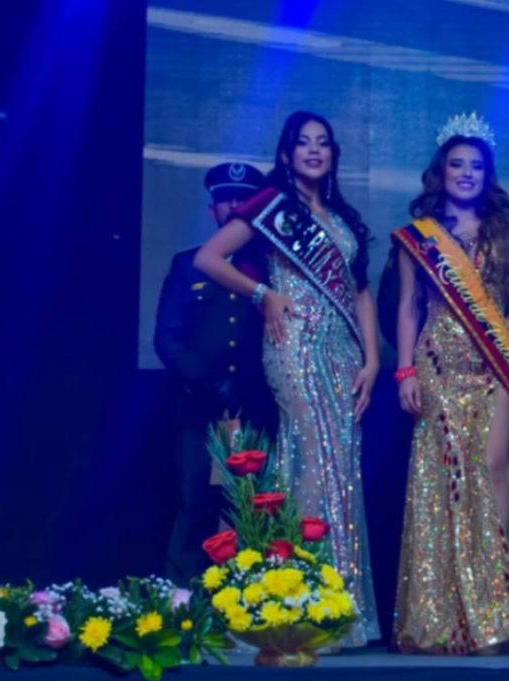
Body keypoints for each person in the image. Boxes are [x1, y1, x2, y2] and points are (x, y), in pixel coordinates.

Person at [192, 112, 380, 646]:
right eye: (304, 143)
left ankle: (338, 602)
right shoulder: (272, 207)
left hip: (344, 352)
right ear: (287, 153)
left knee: (340, 465)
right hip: (292, 345)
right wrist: (261, 294)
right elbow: (209, 258)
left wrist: (371, 359)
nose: (314, 151)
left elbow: (361, 292)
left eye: (323, 143)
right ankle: (297, 600)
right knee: (312, 460)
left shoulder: (341, 215)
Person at [392, 113, 509, 654]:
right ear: (440, 171)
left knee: (493, 473)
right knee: (445, 481)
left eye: (477, 166)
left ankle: (499, 606)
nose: (466, 173)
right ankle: (448, 613)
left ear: (489, 175)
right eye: (457, 164)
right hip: (438, 362)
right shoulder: (420, 237)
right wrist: (405, 370)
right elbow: (407, 306)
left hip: (495, 365)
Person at [155, 162, 276, 585]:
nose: (235, 206)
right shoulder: (188, 265)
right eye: (227, 200)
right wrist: (209, 383)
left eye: (244, 200)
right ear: (213, 211)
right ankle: (184, 607)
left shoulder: (271, 268)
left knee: (254, 509)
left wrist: (245, 388)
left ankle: (256, 608)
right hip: (198, 407)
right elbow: (167, 339)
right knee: (194, 506)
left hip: (256, 407)